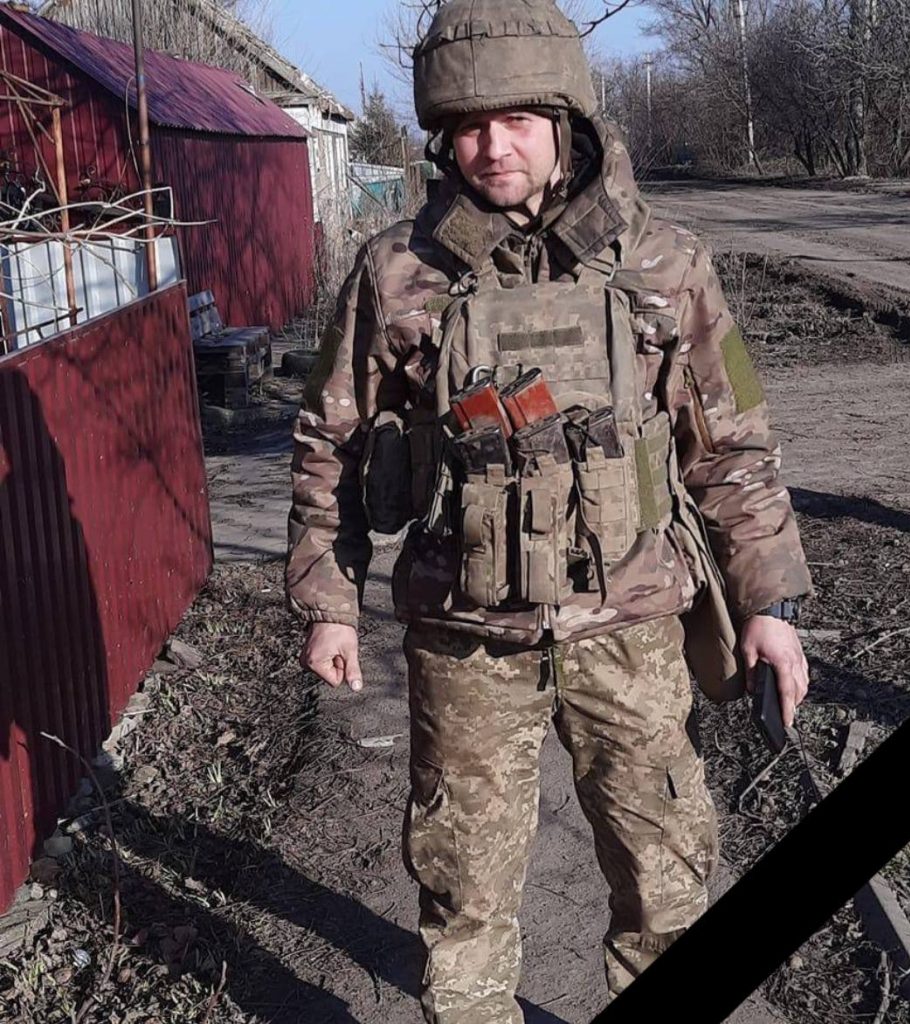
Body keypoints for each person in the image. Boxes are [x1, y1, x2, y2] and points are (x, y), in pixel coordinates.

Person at [286, 2, 812, 1021]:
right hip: (466, 639)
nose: (493, 147)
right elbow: (329, 441)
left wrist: (768, 604)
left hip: (634, 631)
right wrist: (329, 603)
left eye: (518, 121)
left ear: (565, 120)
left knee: (665, 879)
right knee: (464, 893)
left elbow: (732, 445)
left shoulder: (667, 262)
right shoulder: (396, 271)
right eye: (470, 126)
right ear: (443, 135)